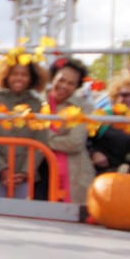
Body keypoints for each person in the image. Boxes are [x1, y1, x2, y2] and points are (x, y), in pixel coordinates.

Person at [0, 57, 48, 199]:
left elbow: (41, 142)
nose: (19, 78)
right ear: (6, 75)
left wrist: (24, 172)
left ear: (31, 78)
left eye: (24, 75)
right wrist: (2, 169)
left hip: (23, 178)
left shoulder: (38, 105)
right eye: (14, 74)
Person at [39, 57, 95, 204]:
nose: (64, 86)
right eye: (61, 80)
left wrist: (42, 139)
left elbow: (74, 143)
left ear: (77, 86)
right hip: (37, 169)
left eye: (71, 83)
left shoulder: (84, 107)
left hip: (72, 172)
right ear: (53, 78)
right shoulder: (37, 101)